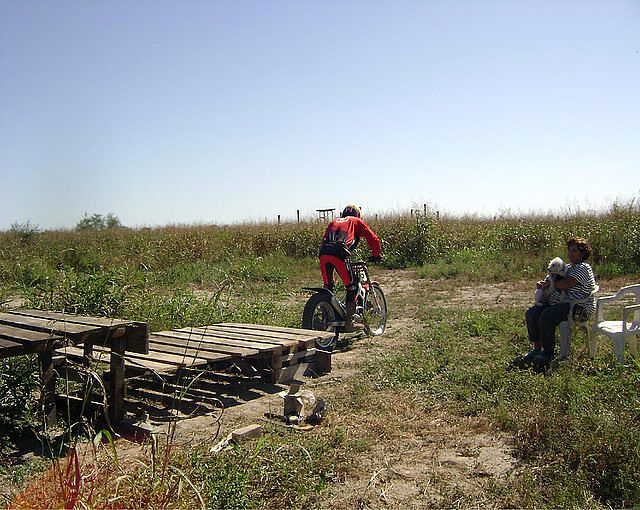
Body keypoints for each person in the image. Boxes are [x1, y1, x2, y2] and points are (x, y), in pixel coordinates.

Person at [521, 237, 598, 368]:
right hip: (560, 304)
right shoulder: (567, 267)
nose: (570, 253)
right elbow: (552, 280)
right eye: (569, 250)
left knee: (547, 316)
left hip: (578, 307)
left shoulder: (583, 268)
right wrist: (544, 285)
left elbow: (566, 284)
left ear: (582, 254)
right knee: (532, 313)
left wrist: (550, 284)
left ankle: (547, 353)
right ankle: (537, 348)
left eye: (574, 251)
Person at [319, 204, 382, 332]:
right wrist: (376, 255)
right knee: (352, 287)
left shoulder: (333, 222)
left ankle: (325, 317)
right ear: (357, 215)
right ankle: (349, 323)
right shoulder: (357, 221)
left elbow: (325, 240)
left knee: (328, 286)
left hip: (324, 253)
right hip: (339, 254)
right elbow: (373, 239)